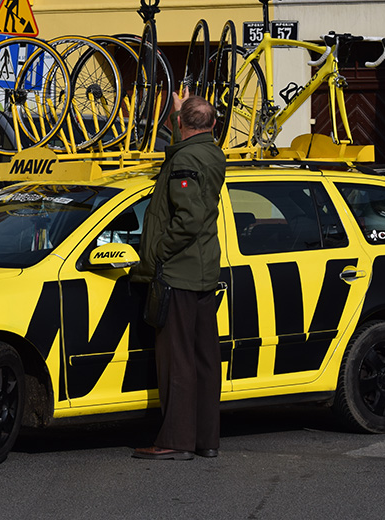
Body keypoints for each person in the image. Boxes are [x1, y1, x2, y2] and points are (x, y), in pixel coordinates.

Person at [130, 90, 226, 460]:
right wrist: (178, 117)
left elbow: (188, 218)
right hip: (202, 270)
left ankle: (175, 441)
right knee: (204, 360)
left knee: (177, 362)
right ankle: (206, 441)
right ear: (214, 124)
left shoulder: (187, 159)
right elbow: (188, 149)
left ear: (183, 124)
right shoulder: (211, 152)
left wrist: (157, 254)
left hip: (179, 272)